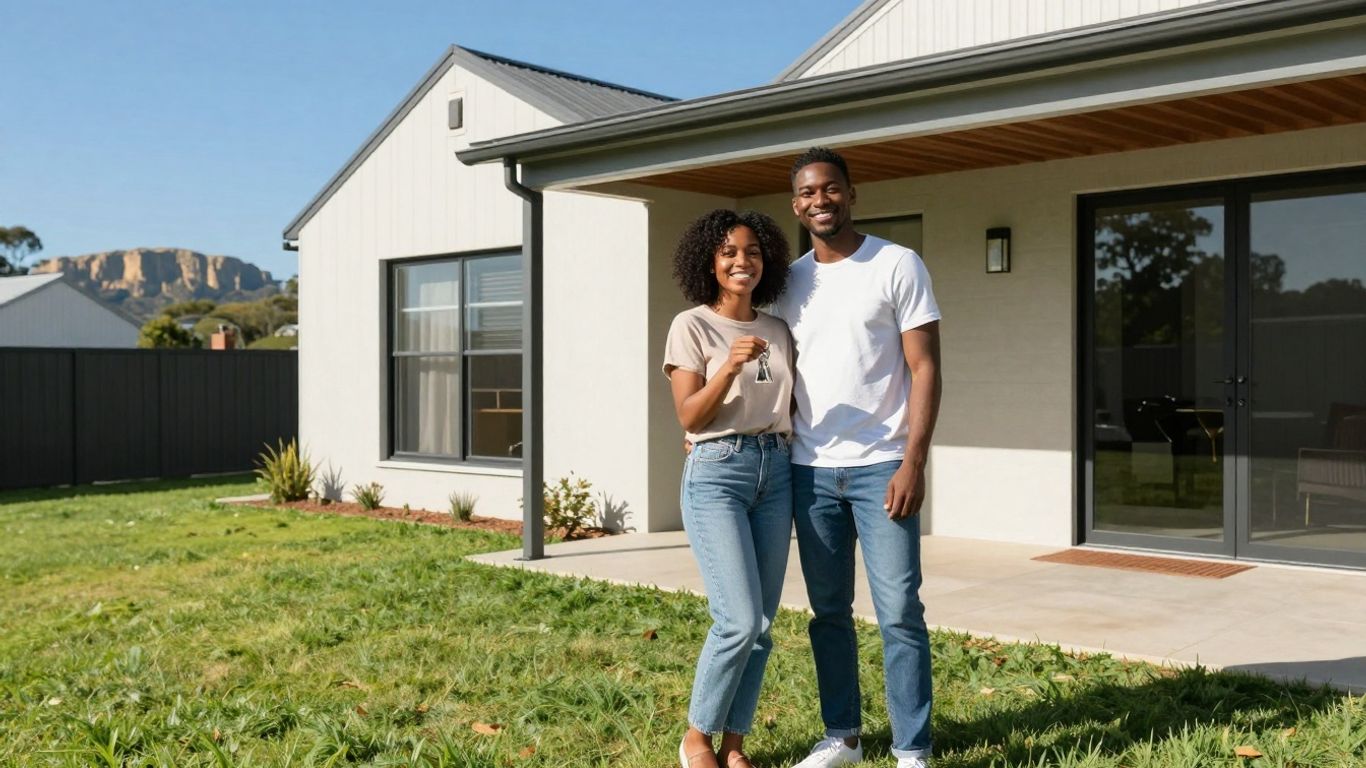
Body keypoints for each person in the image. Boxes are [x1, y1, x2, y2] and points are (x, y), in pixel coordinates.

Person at [771, 147, 942, 768]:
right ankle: (842, 736)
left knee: (899, 611)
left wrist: (913, 462)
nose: (821, 200)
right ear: (796, 204)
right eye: (808, 193)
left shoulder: (896, 263)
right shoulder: (788, 281)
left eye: (831, 189)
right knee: (829, 613)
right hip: (809, 470)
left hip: (882, 468)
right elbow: (765, 365)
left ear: (851, 193)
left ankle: (912, 750)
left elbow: (925, 368)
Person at [664, 209, 795, 768]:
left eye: (753, 253)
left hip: (778, 469)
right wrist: (729, 368)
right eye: (729, 253)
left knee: (762, 626)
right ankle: (697, 737)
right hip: (719, 469)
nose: (743, 262)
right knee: (737, 618)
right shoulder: (691, 325)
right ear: (709, 264)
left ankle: (735, 744)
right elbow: (689, 417)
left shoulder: (779, 328)